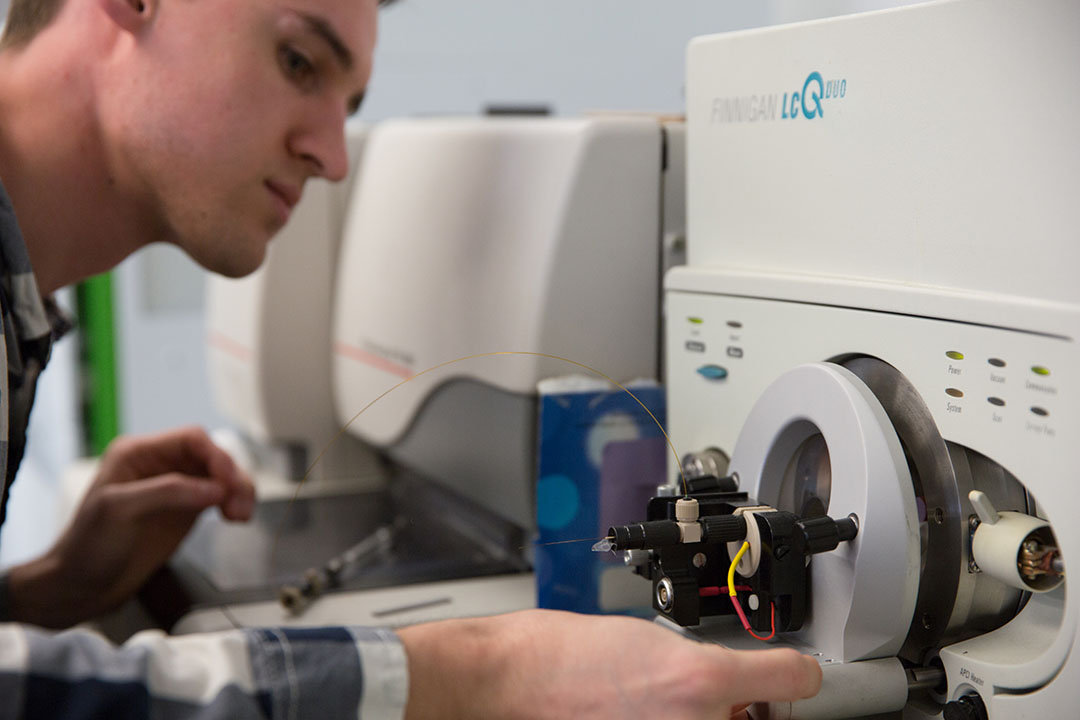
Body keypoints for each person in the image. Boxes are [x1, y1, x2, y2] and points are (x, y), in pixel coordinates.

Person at [0, 0, 823, 717]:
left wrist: (48, 591)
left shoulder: (19, 319)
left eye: (350, 103)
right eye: (297, 60)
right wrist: (487, 676)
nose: (334, 159)